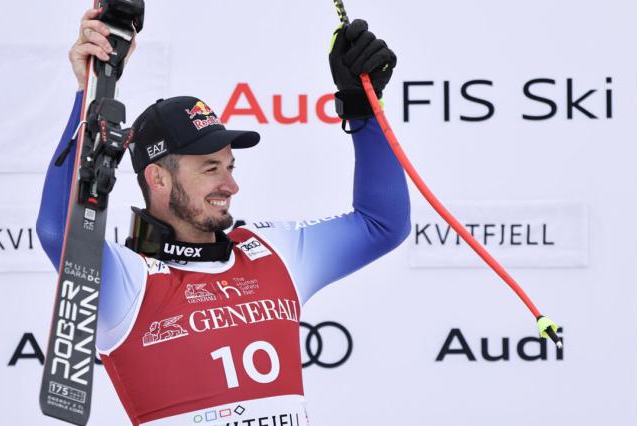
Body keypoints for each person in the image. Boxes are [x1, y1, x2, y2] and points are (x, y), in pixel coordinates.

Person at [37, 7, 410, 426]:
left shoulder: (274, 252)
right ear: (157, 178)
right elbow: (59, 232)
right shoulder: (128, 281)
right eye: (210, 168)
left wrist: (362, 108)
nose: (230, 186)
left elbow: (382, 225)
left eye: (230, 167)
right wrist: (90, 92)